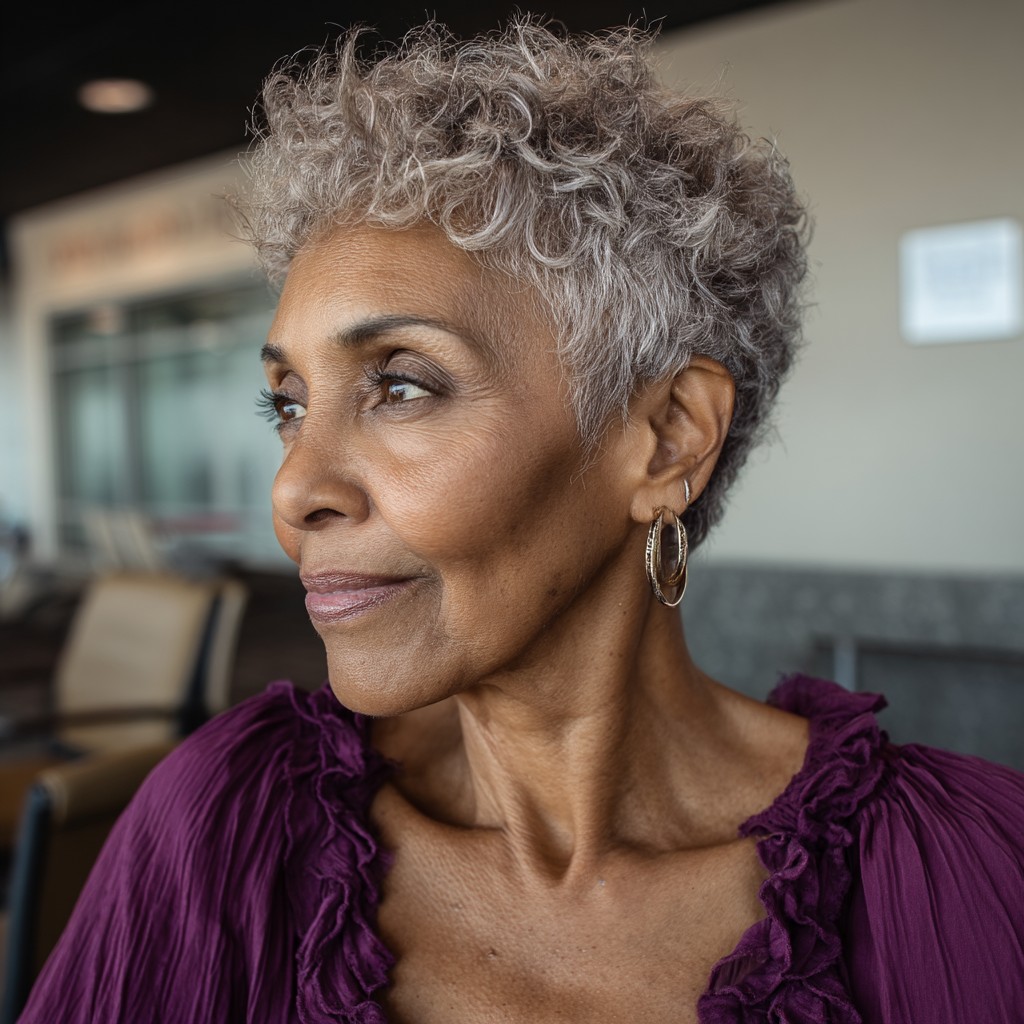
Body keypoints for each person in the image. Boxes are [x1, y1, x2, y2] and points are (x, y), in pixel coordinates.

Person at [19, 19, 1024, 1024]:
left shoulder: (970, 876)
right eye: (288, 402)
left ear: (669, 438)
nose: (293, 491)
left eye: (402, 385)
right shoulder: (227, 825)